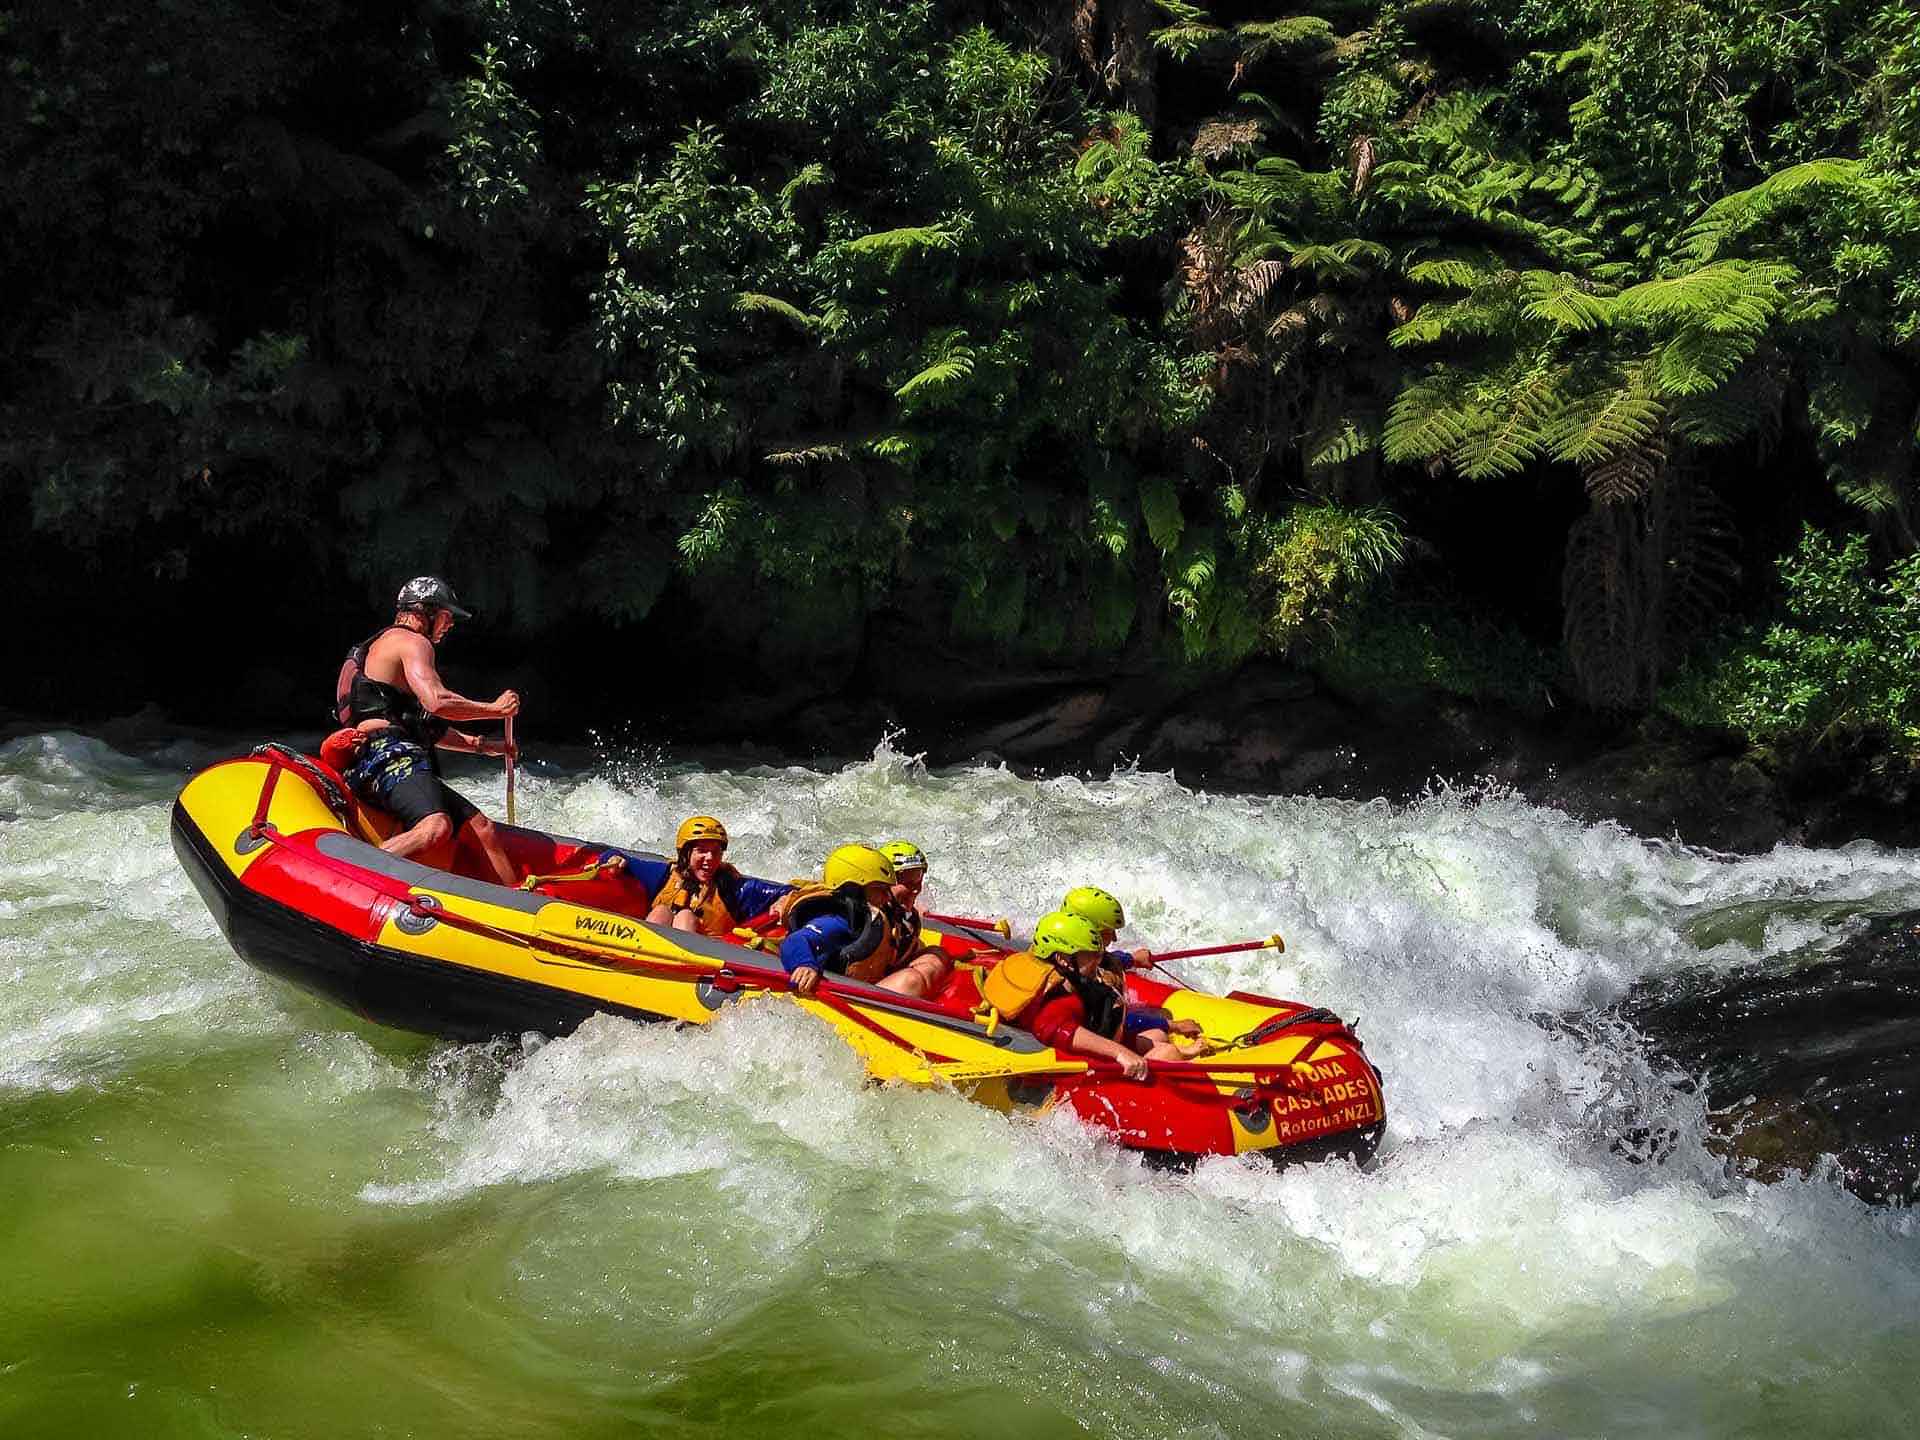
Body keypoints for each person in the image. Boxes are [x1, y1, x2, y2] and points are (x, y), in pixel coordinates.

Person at [331, 576, 520, 885]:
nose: (450, 624)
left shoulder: (387, 650)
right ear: (425, 612)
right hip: (387, 755)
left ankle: (517, 908)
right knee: (435, 826)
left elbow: (429, 727)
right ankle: (349, 878)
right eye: (447, 616)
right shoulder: (412, 642)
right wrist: (495, 709)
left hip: (388, 755)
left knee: (481, 828)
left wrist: (485, 745)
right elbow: (437, 702)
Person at [976, 911, 1155, 1078]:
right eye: (1092, 955)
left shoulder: (1075, 985)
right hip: (1076, 1074)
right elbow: (1054, 1028)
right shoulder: (1058, 1000)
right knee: (1166, 1052)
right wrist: (1119, 1052)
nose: (1098, 962)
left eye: (1099, 955)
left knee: (1159, 1039)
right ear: (1063, 959)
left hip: (1092, 1056)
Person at [1061, 884, 1205, 1057]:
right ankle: (1177, 1056)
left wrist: (1132, 959)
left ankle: (1177, 1052)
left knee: (1158, 1036)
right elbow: (1116, 1020)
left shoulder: (1083, 962)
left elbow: (1108, 960)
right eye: (1108, 931)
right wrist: (1173, 1025)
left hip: (1108, 1039)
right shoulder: (1083, 982)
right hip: (1095, 1054)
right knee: (1168, 1052)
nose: (1114, 937)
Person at [778, 845, 930, 998]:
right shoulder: (838, 920)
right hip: (844, 995)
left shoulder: (865, 916)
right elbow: (796, 940)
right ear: (854, 889)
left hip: (862, 983)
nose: (887, 896)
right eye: (880, 889)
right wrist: (805, 965)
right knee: (911, 980)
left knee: (933, 957)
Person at [633, 817, 788, 937]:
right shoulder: (663, 874)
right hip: (654, 953)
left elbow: (790, 891)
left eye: (716, 852)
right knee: (661, 912)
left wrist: (785, 898)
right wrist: (614, 858)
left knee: (685, 917)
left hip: (707, 960)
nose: (710, 858)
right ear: (685, 854)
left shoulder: (734, 887)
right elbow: (614, 855)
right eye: (702, 850)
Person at [875, 840, 955, 999]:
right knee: (912, 980)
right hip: (856, 991)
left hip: (881, 977)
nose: (917, 889)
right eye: (909, 883)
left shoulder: (901, 916)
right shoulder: (867, 917)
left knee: (938, 954)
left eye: (919, 881)